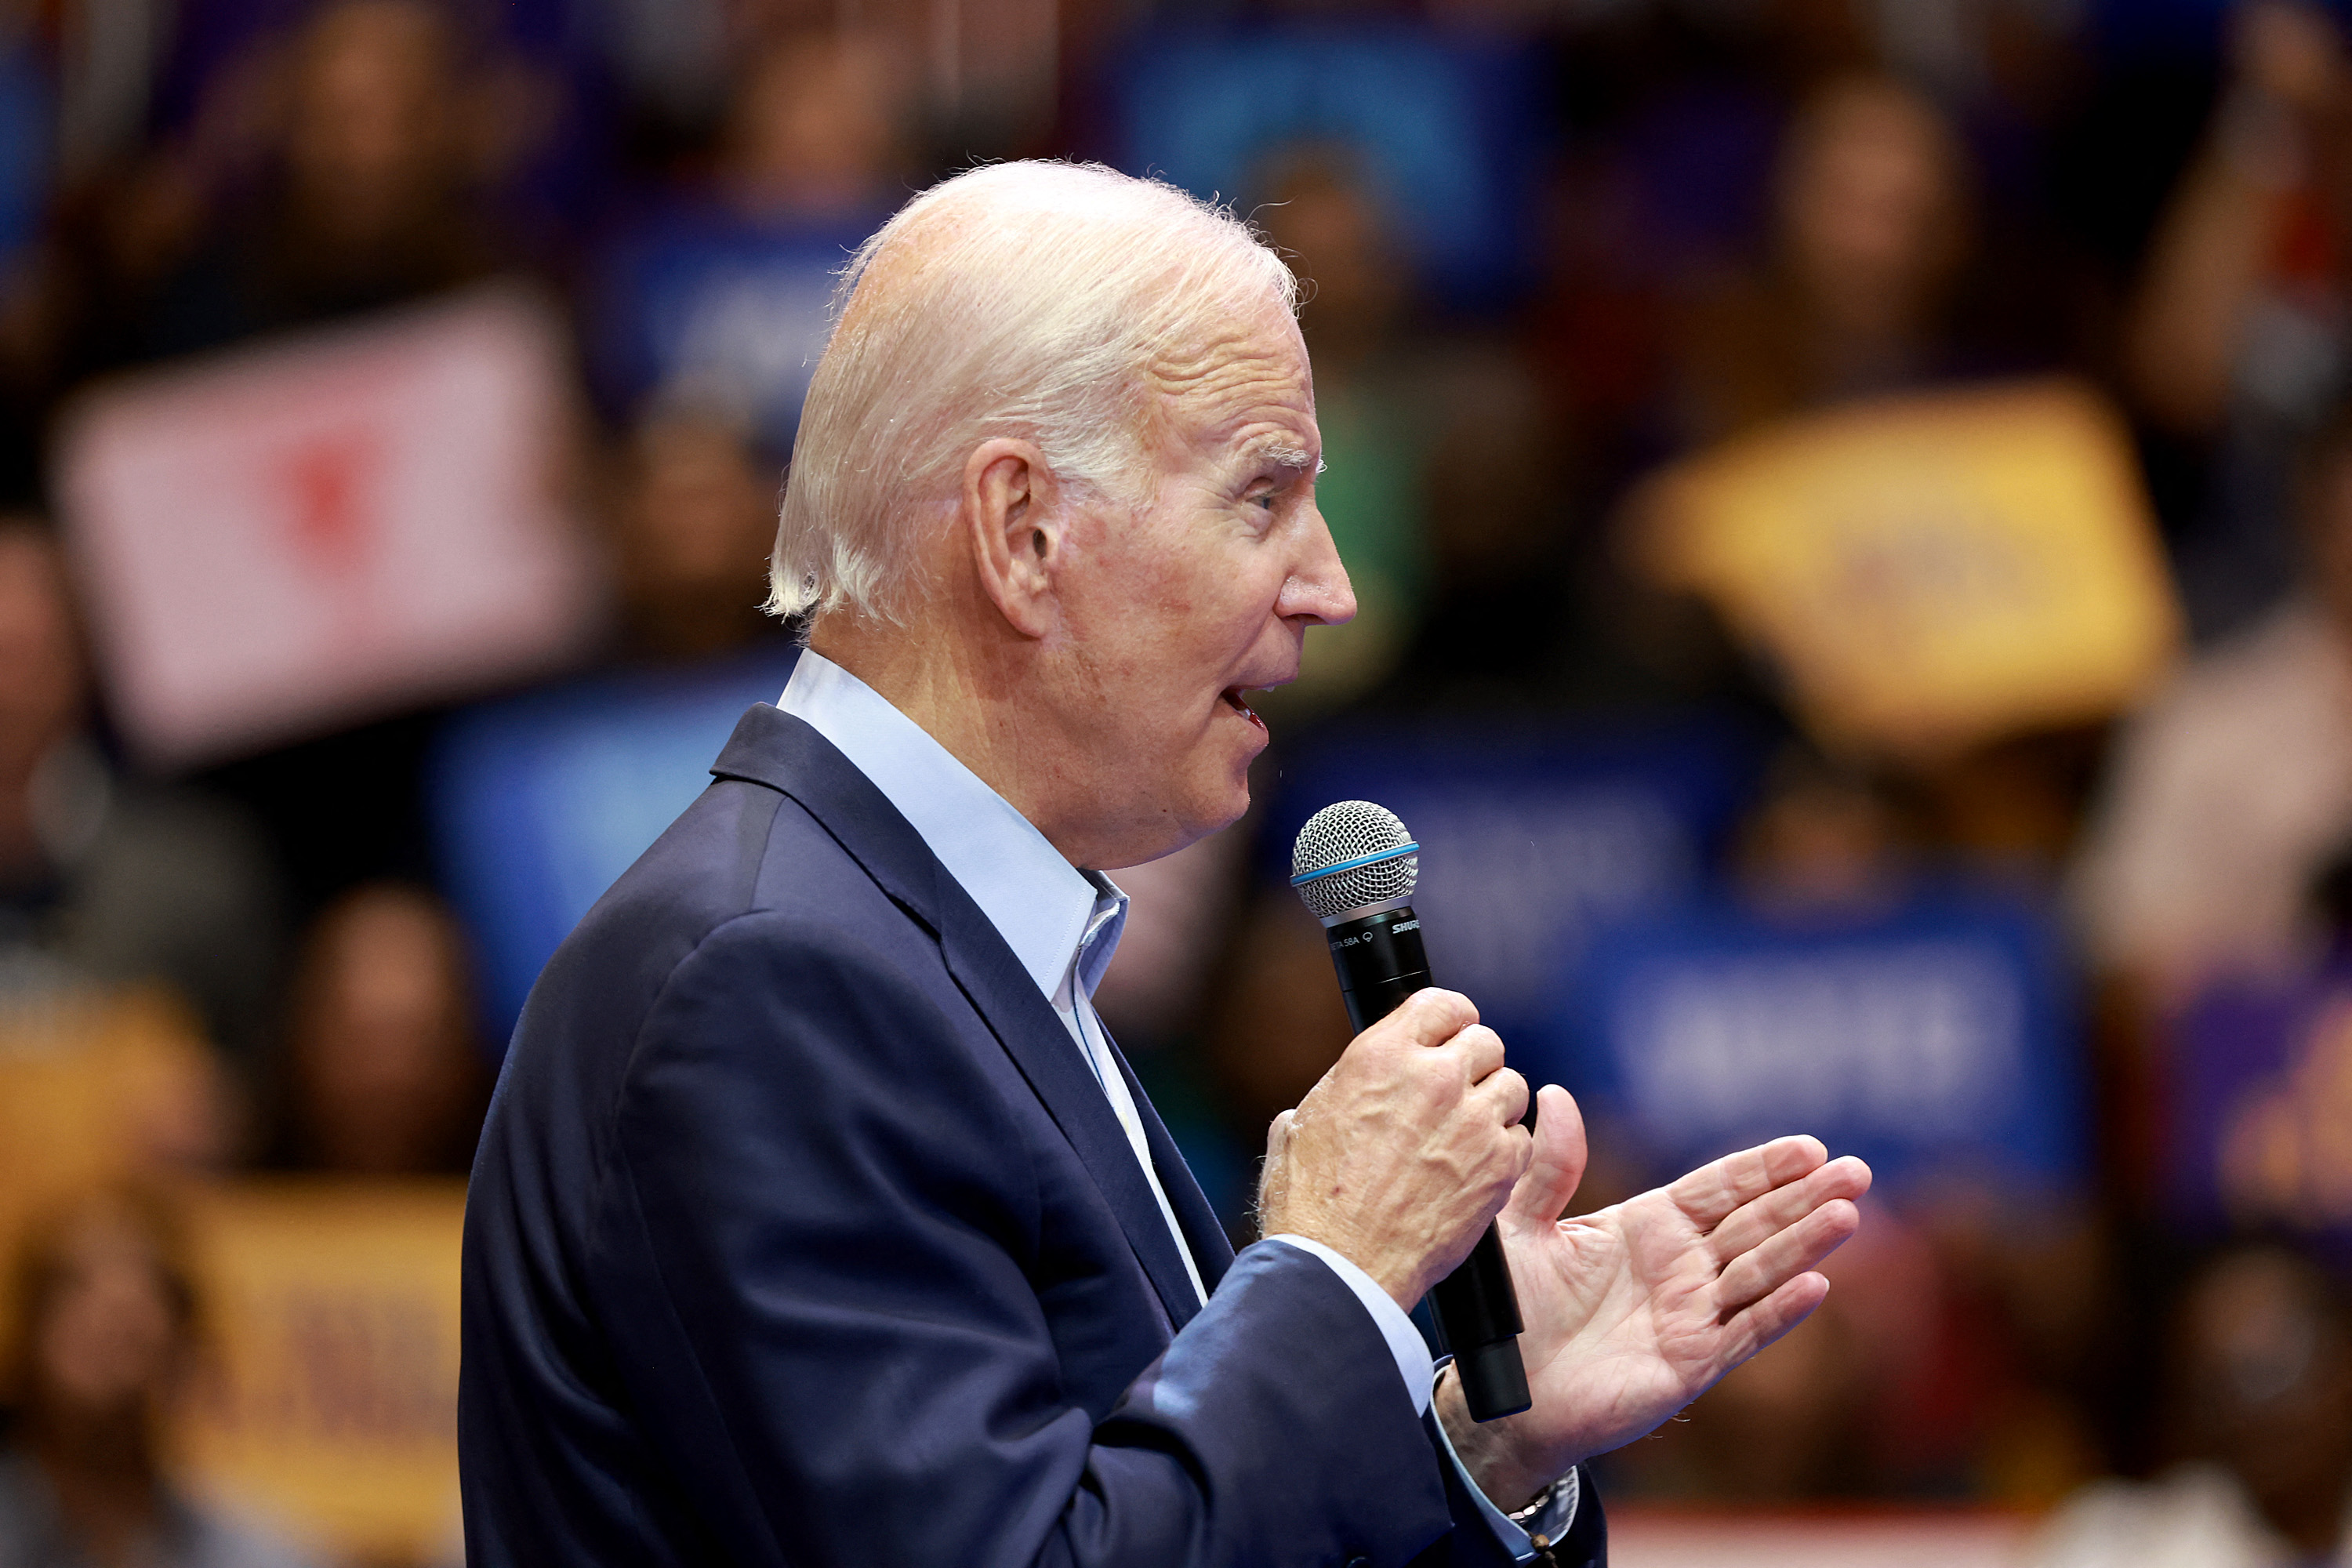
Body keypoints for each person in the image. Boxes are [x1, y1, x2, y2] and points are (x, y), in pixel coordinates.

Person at [459, 160, 1871, 1566]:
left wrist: (1481, 1449)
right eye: (1262, 498)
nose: (1334, 586)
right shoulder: (767, 981)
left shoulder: (936, 943)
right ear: (1024, 535)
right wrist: (1334, 1276)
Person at [0, 1187, 318, 1568]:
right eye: (75, 1286)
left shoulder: (261, 1553)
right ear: (27, 1331)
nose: (107, 1319)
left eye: (143, 1298)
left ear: (186, 1346)